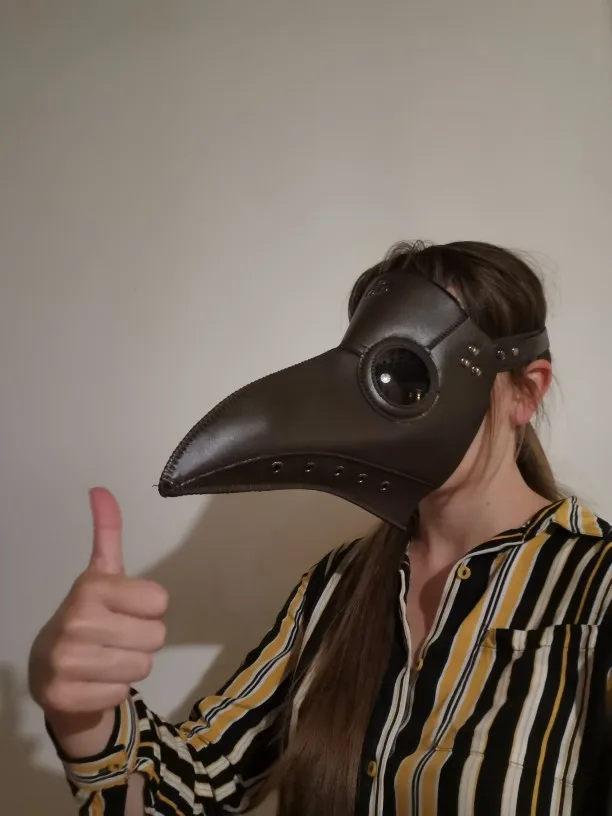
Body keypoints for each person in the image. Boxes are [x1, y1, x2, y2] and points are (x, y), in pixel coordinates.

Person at [29, 241, 612, 816]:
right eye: (382, 375)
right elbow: (199, 787)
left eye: (414, 374)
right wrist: (86, 716)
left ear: (525, 392)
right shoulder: (336, 589)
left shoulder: (598, 587)